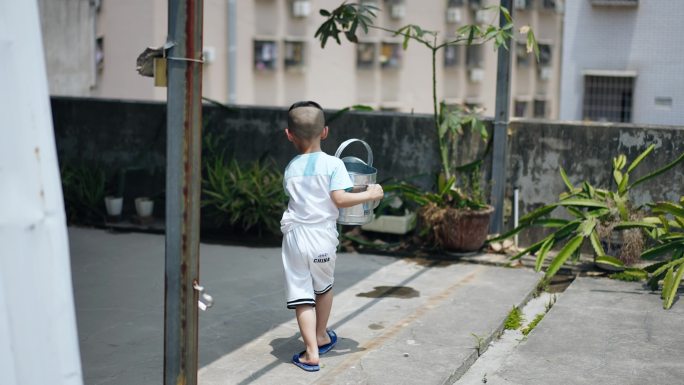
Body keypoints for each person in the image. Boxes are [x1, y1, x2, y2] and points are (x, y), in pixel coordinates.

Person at [280, 100, 384, 372]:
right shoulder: (334, 165)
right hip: (322, 239)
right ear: (324, 132)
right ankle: (322, 334)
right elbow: (340, 198)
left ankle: (311, 351)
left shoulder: (291, 168)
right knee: (322, 289)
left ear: (289, 134)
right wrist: (370, 193)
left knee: (302, 295)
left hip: (294, 238)